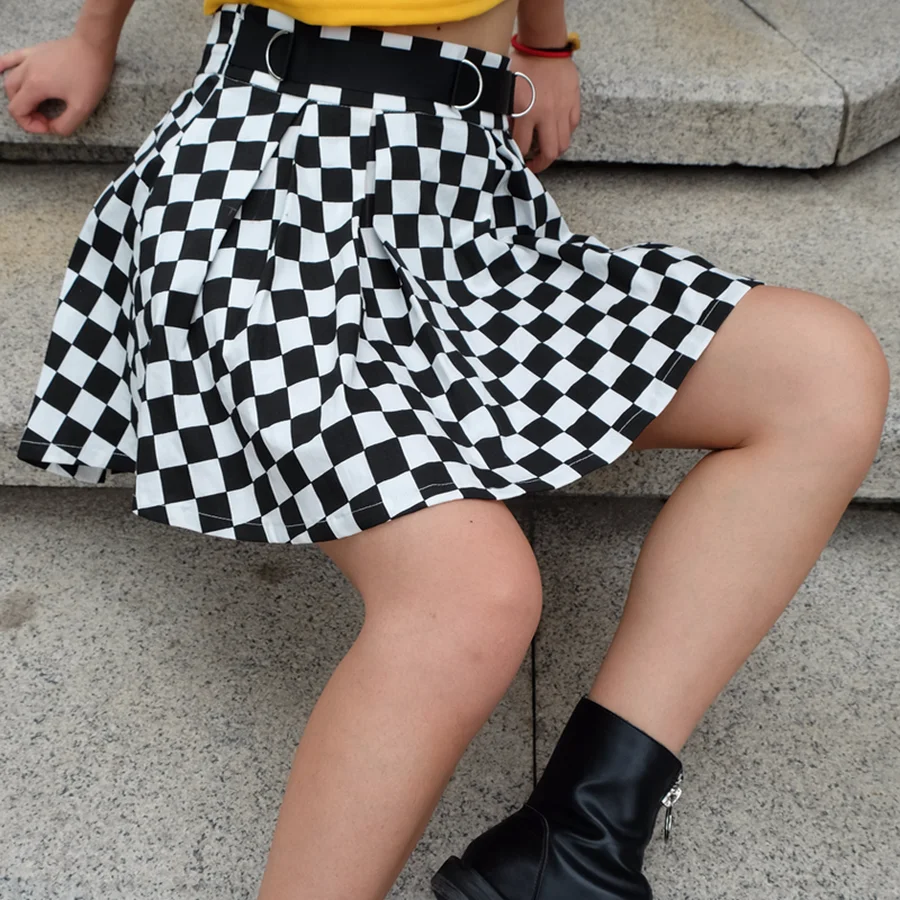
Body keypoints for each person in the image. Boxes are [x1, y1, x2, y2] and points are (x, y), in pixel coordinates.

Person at [1, 1, 890, 898]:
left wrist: (544, 41)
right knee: (470, 597)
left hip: (458, 194)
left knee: (820, 374)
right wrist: (92, 40)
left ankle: (579, 844)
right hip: (273, 174)